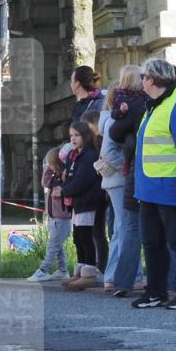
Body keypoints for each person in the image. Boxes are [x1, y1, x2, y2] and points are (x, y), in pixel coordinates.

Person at [132, 58, 176, 310]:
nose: (141, 81)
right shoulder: (155, 105)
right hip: (151, 186)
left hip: (174, 186)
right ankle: (156, 292)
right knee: (152, 243)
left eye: (143, 77)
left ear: (152, 80)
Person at [107, 70, 148, 297]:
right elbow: (113, 136)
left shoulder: (131, 104)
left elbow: (115, 133)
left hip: (132, 171)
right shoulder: (141, 104)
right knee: (130, 227)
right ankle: (135, 279)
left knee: (128, 228)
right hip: (140, 174)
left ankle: (124, 281)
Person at [61, 121, 104, 290]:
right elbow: (69, 177)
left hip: (87, 201)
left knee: (86, 237)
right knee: (78, 237)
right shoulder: (74, 155)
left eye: (77, 135)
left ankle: (89, 273)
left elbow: (82, 180)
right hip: (77, 203)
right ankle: (79, 272)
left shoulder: (89, 155)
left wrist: (64, 191)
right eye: (71, 135)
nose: (73, 139)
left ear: (85, 137)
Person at [27, 146, 73, 282]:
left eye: (50, 163)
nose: (49, 166)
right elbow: (44, 182)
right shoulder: (54, 178)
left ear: (57, 164)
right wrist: (48, 168)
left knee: (52, 247)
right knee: (58, 246)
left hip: (62, 219)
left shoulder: (65, 178)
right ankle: (63, 270)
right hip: (54, 218)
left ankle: (43, 270)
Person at [81, 109, 109, 274]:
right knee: (93, 231)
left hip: (100, 192)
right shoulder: (89, 146)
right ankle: (96, 264)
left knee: (98, 231)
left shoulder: (99, 144)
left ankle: (101, 266)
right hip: (93, 192)